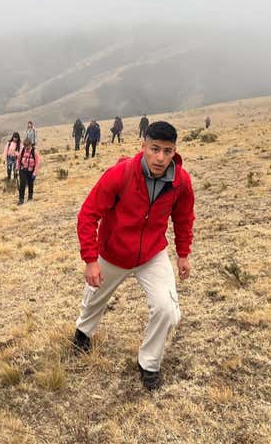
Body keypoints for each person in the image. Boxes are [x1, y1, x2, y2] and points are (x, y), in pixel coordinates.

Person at [72, 121, 195, 391]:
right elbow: (88, 214)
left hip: (152, 254)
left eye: (167, 151)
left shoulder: (180, 182)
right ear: (143, 147)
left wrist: (183, 254)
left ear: (174, 151)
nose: (161, 158)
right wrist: (91, 260)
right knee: (94, 300)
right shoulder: (120, 174)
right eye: (155, 149)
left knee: (167, 310)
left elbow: (184, 218)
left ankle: (149, 364)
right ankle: (83, 332)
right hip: (113, 252)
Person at [16, 139, 40, 205]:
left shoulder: (34, 152)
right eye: (25, 146)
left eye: (27, 146)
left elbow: (37, 162)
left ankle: (30, 196)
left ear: (30, 144)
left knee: (30, 183)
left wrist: (35, 173)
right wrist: (17, 168)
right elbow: (18, 159)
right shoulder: (22, 150)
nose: (26, 147)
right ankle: (21, 199)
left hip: (31, 170)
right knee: (22, 184)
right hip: (23, 169)